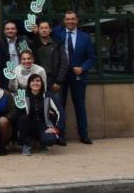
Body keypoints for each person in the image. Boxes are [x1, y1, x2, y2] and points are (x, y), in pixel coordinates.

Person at [53, 11, 96, 145]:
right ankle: (60, 136)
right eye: (67, 19)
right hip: (61, 75)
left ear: (77, 20)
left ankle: (84, 135)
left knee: (80, 106)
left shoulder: (85, 37)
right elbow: (43, 33)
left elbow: (91, 58)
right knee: (60, 106)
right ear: (64, 21)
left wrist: (83, 68)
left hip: (78, 75)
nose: (70, 21)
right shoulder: (57, 33)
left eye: (72, 19)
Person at [16, 73, 61, 156]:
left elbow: (60, 112)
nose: (35, 83)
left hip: (43, 125)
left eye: (38, 81)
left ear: (42, 83)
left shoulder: (48, 96)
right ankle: (25, 144)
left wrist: (56, 128)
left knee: (50, 140)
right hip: (29, 126)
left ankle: (40, 141)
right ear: (29, 84)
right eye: (32, 81)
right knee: (22, 118)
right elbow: (18, 116)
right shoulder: (24, 97)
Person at [31, 19, 68, 102]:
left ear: (50, 30)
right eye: (41, 28)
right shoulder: (34, 44)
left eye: (46, 28)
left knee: (57, 107)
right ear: (38, 30)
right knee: (40, 107)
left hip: (54, 81)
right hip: (38, 81)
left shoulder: (57, 44)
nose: (44, 30)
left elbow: (64, 63)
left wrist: (58, 81)